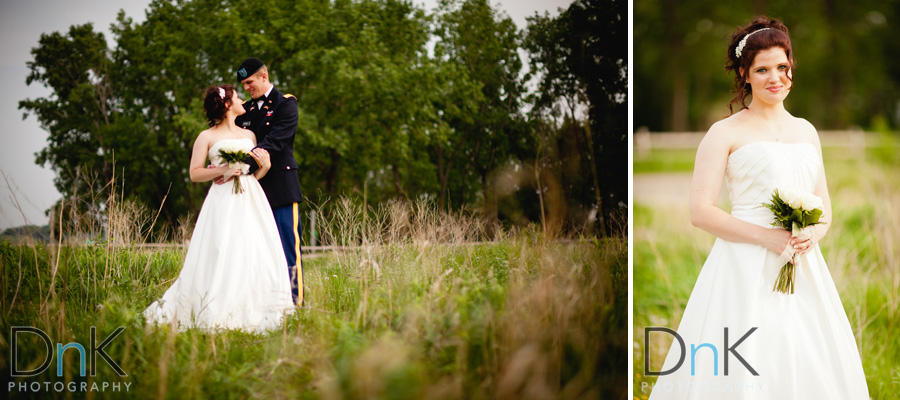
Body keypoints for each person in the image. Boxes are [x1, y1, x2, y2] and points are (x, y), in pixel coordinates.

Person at [648, 17, 868, 399]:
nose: (775, 78)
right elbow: (700, 211)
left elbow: (825, 208)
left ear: (791, 70)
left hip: (802, 265)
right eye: (762, 69)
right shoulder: (725, 133)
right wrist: (768, 237)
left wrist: (809, 234)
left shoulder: (806, 130)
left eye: (782, 67)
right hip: (742, 265)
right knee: (741, 362)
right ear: (744, 74)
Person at [143, 85, 294, 333]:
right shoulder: (206, 137)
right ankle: (212, 304)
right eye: (237, 96)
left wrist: (264, 168)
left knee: (253, 249)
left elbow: (252, 175)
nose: (242, 99)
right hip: (222, 200)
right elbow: (194, 173)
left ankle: (258, 307)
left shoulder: (250, 136)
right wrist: (223, 170)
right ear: (227, 105)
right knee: (221, 248)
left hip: (251, 198)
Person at [229, 57, 306, 307]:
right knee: (257, 251)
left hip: (282, 189)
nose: (246, 87)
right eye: (243, 84)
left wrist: (240, 164)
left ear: (264, 76)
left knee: (288, 251)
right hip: (253, 190)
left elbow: (275, 142)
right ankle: (267, 307)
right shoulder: (246, 111)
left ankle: (297, 305)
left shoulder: (286, 104)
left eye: (249, 81)